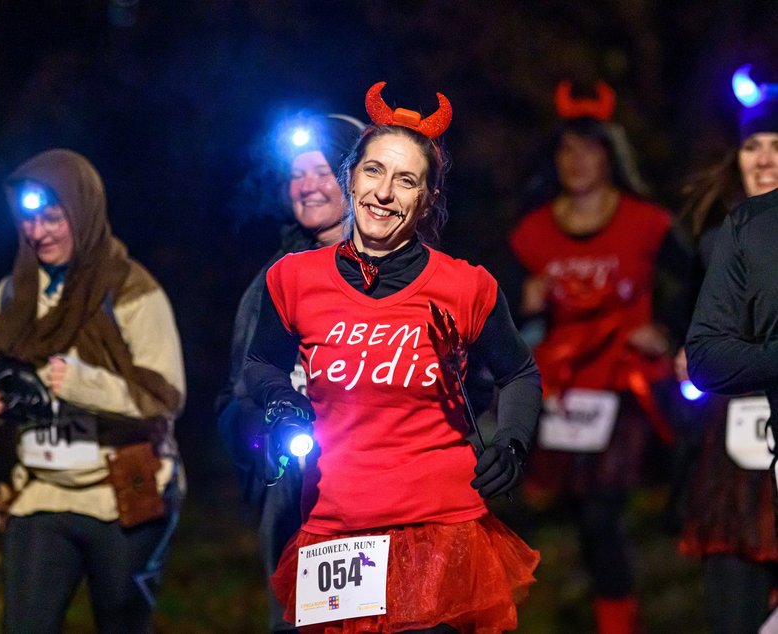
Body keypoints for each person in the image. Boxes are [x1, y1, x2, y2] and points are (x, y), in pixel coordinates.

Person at [244, 82, 542, 634]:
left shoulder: (465, 286)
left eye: (406, 180)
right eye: (375, 172)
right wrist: (281, 401)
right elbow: (260, 362)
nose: (384, 192)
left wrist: (513, 439)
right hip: (335, 530)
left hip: (437, 528)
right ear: (350, 178)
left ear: (427, 199)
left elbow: (519, 371)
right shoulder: (291, 279)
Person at [0, 148, 186, 633]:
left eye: (52, 218)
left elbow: (166, 397)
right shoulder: (12, 294)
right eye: (29, 220)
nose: (38, 232)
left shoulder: (131, 290)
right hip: (42, 492)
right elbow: (0, 379)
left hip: (123, 488)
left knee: (121, 623)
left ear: (81, 215)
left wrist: (84, 384)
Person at [508, 80, 692, 634]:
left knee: (602, 512)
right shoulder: (531, 232)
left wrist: (667, 330)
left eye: (589, 148)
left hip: (625, 387)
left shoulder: (648, 223)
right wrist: (528, 304)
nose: (576, 160)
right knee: (581, 521)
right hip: (562, 391)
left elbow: (700, 283)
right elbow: (503, 322)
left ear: (611, 155)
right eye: (566, 148)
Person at [216, 112, 365, 633]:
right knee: (304, 623)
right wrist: (261, 437)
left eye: (323, 171)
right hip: (299, 489)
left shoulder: (402, 270)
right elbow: (235, 395)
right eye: (298, 175)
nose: (308, 185)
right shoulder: (273, 282)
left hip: (384, 480)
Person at [683, 65, 778, 633]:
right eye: (752, 146)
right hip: (732, 434)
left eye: (776, 145)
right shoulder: (712, 237)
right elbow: (689, 334)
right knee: (733, 599)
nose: (764, 159)